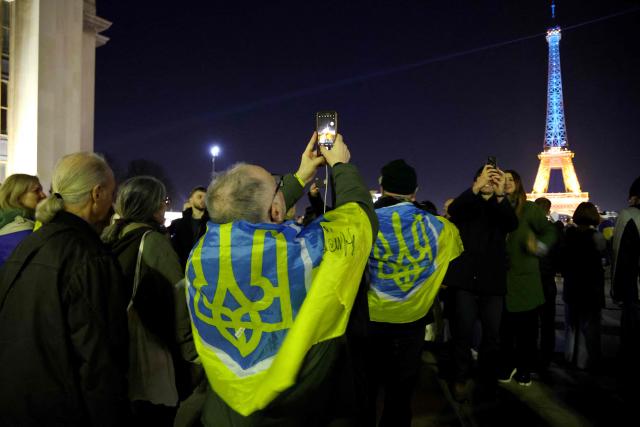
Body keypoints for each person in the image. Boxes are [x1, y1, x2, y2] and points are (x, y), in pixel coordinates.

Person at [186, 132, 377, 426]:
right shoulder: (310, 252)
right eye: (277, 185)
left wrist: (299, 177)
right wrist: (341, 165)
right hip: (300, 413)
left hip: (225, 413)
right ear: (276, 210)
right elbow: (359, 220)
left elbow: (247, 215)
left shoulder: (199, 256)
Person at [0, 152, 130, 426]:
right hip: (64, 410)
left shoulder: (32, 243)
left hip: (19, 403)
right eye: (111, 193)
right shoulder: (89, 257)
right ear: (97, 194)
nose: (113, 203)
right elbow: (100, 360)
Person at [365, 159, 462, 426]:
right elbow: (451, 257)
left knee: (366, 387)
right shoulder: (440, 227)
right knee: (402, 389)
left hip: (371, 316)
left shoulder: (365, 221)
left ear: (382, 186)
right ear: (415, 190)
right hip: (413, 318)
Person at [102, 176, 198, 426]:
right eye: (163, 201)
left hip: (117, 348)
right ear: (152, 205)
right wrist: (190, 355)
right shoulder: (153, 241)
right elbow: (177, 298)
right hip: (150, 350)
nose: (165, 206)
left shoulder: (111, 235)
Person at [443, 163, 518, 400]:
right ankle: (461, 377)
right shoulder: (467, 204)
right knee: (462, 332)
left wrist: (499, 195)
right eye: (484, 177)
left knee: (492, 336)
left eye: (493, 178)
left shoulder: (501, 207)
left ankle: (487, 378)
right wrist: (476, 186)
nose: (488, 181)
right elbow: (454, 210)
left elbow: (511, 223)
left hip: (492, 282)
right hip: (465, 280)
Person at [499, 170, 556, 386]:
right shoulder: (498, 208)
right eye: (502, 180)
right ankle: (508, 364)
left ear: (519, 183)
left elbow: (549, 232)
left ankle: (524, 367)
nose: (506, 183)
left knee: (526, 331)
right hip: (502, 279)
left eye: (510, 179)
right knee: (505, 329)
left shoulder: (530, 209)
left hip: (525, 281)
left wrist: (538, 247)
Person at [560, 202, 606, 370]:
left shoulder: (568, 234)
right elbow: (603, 254)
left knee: (571, 326)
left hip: (572, 286)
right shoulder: (597, 236)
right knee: (591, 327)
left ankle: (570, 357)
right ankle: (588, 360)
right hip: (591, 288)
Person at [611, 176, 640, 389]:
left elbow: (620, 257)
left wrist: (616, 291)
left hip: (635, 292)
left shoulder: (629, 216)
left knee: (631, 342)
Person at [533, 197, 563, 369]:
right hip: (547, 280)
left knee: (529, 321)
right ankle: (546, 359)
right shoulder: (553, 230)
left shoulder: (527, 229)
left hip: (531, 279)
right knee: (547, 322)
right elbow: (560, 256)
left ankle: (527, 356)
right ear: (548, 210)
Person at [0, 174, 47, 265]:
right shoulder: (21, 229)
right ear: (17, 195)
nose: (43, 195)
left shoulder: (6, 222)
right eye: (36, 191)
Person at [169, 185, 208, 268]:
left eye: (206, 198)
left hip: (204, 270)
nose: (203, 200)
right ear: (191, 200)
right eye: (199, 197)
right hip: (182, 270)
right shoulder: (178, 224)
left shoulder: (212, 223)